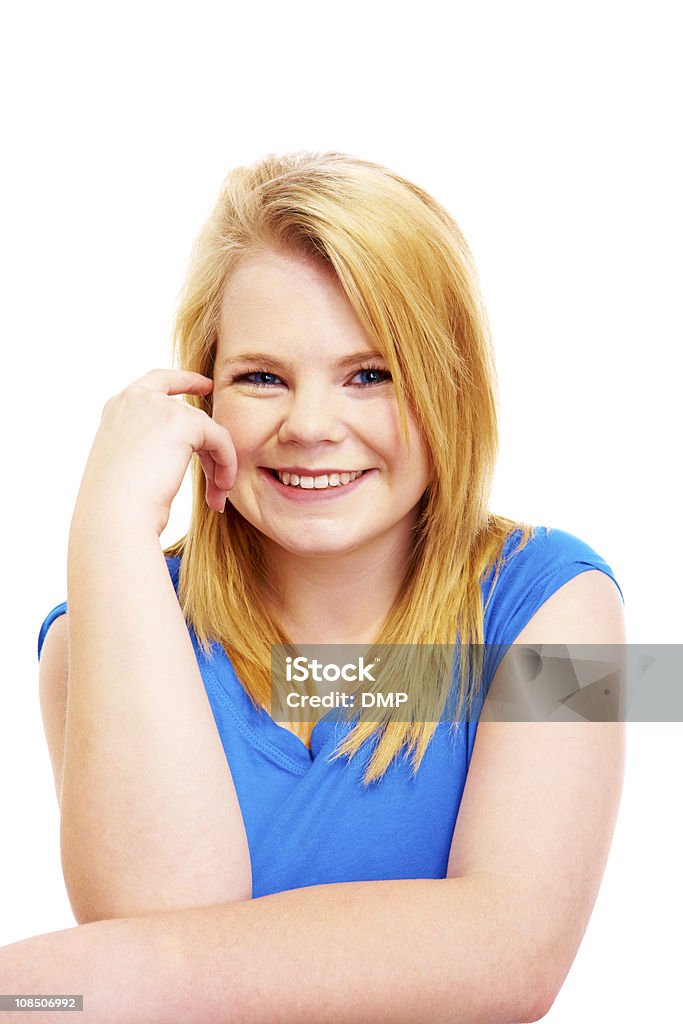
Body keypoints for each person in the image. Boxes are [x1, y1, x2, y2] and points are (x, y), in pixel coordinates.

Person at [2, 151, 625, 1023]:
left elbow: (515, 954)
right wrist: (107, 532)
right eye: (261, 377)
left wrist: (43, 986)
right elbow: (151, 927)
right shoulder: (91, 634)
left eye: (370, 374)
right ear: (201, 393)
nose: (309, 427)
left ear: (451, 389)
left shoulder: (573, 611)